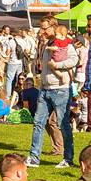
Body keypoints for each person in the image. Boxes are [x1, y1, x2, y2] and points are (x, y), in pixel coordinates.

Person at [29, 21, 78, 168]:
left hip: (60, 89)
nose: (42, 31)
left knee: (63, 124)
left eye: (45, 28)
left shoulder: (65, 44)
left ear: (53, 27)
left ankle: (68, 159)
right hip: (44, 88)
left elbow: (74, 60)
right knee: (38, 122)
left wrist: (57, 66)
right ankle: (34, 158)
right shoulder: (47, 44)